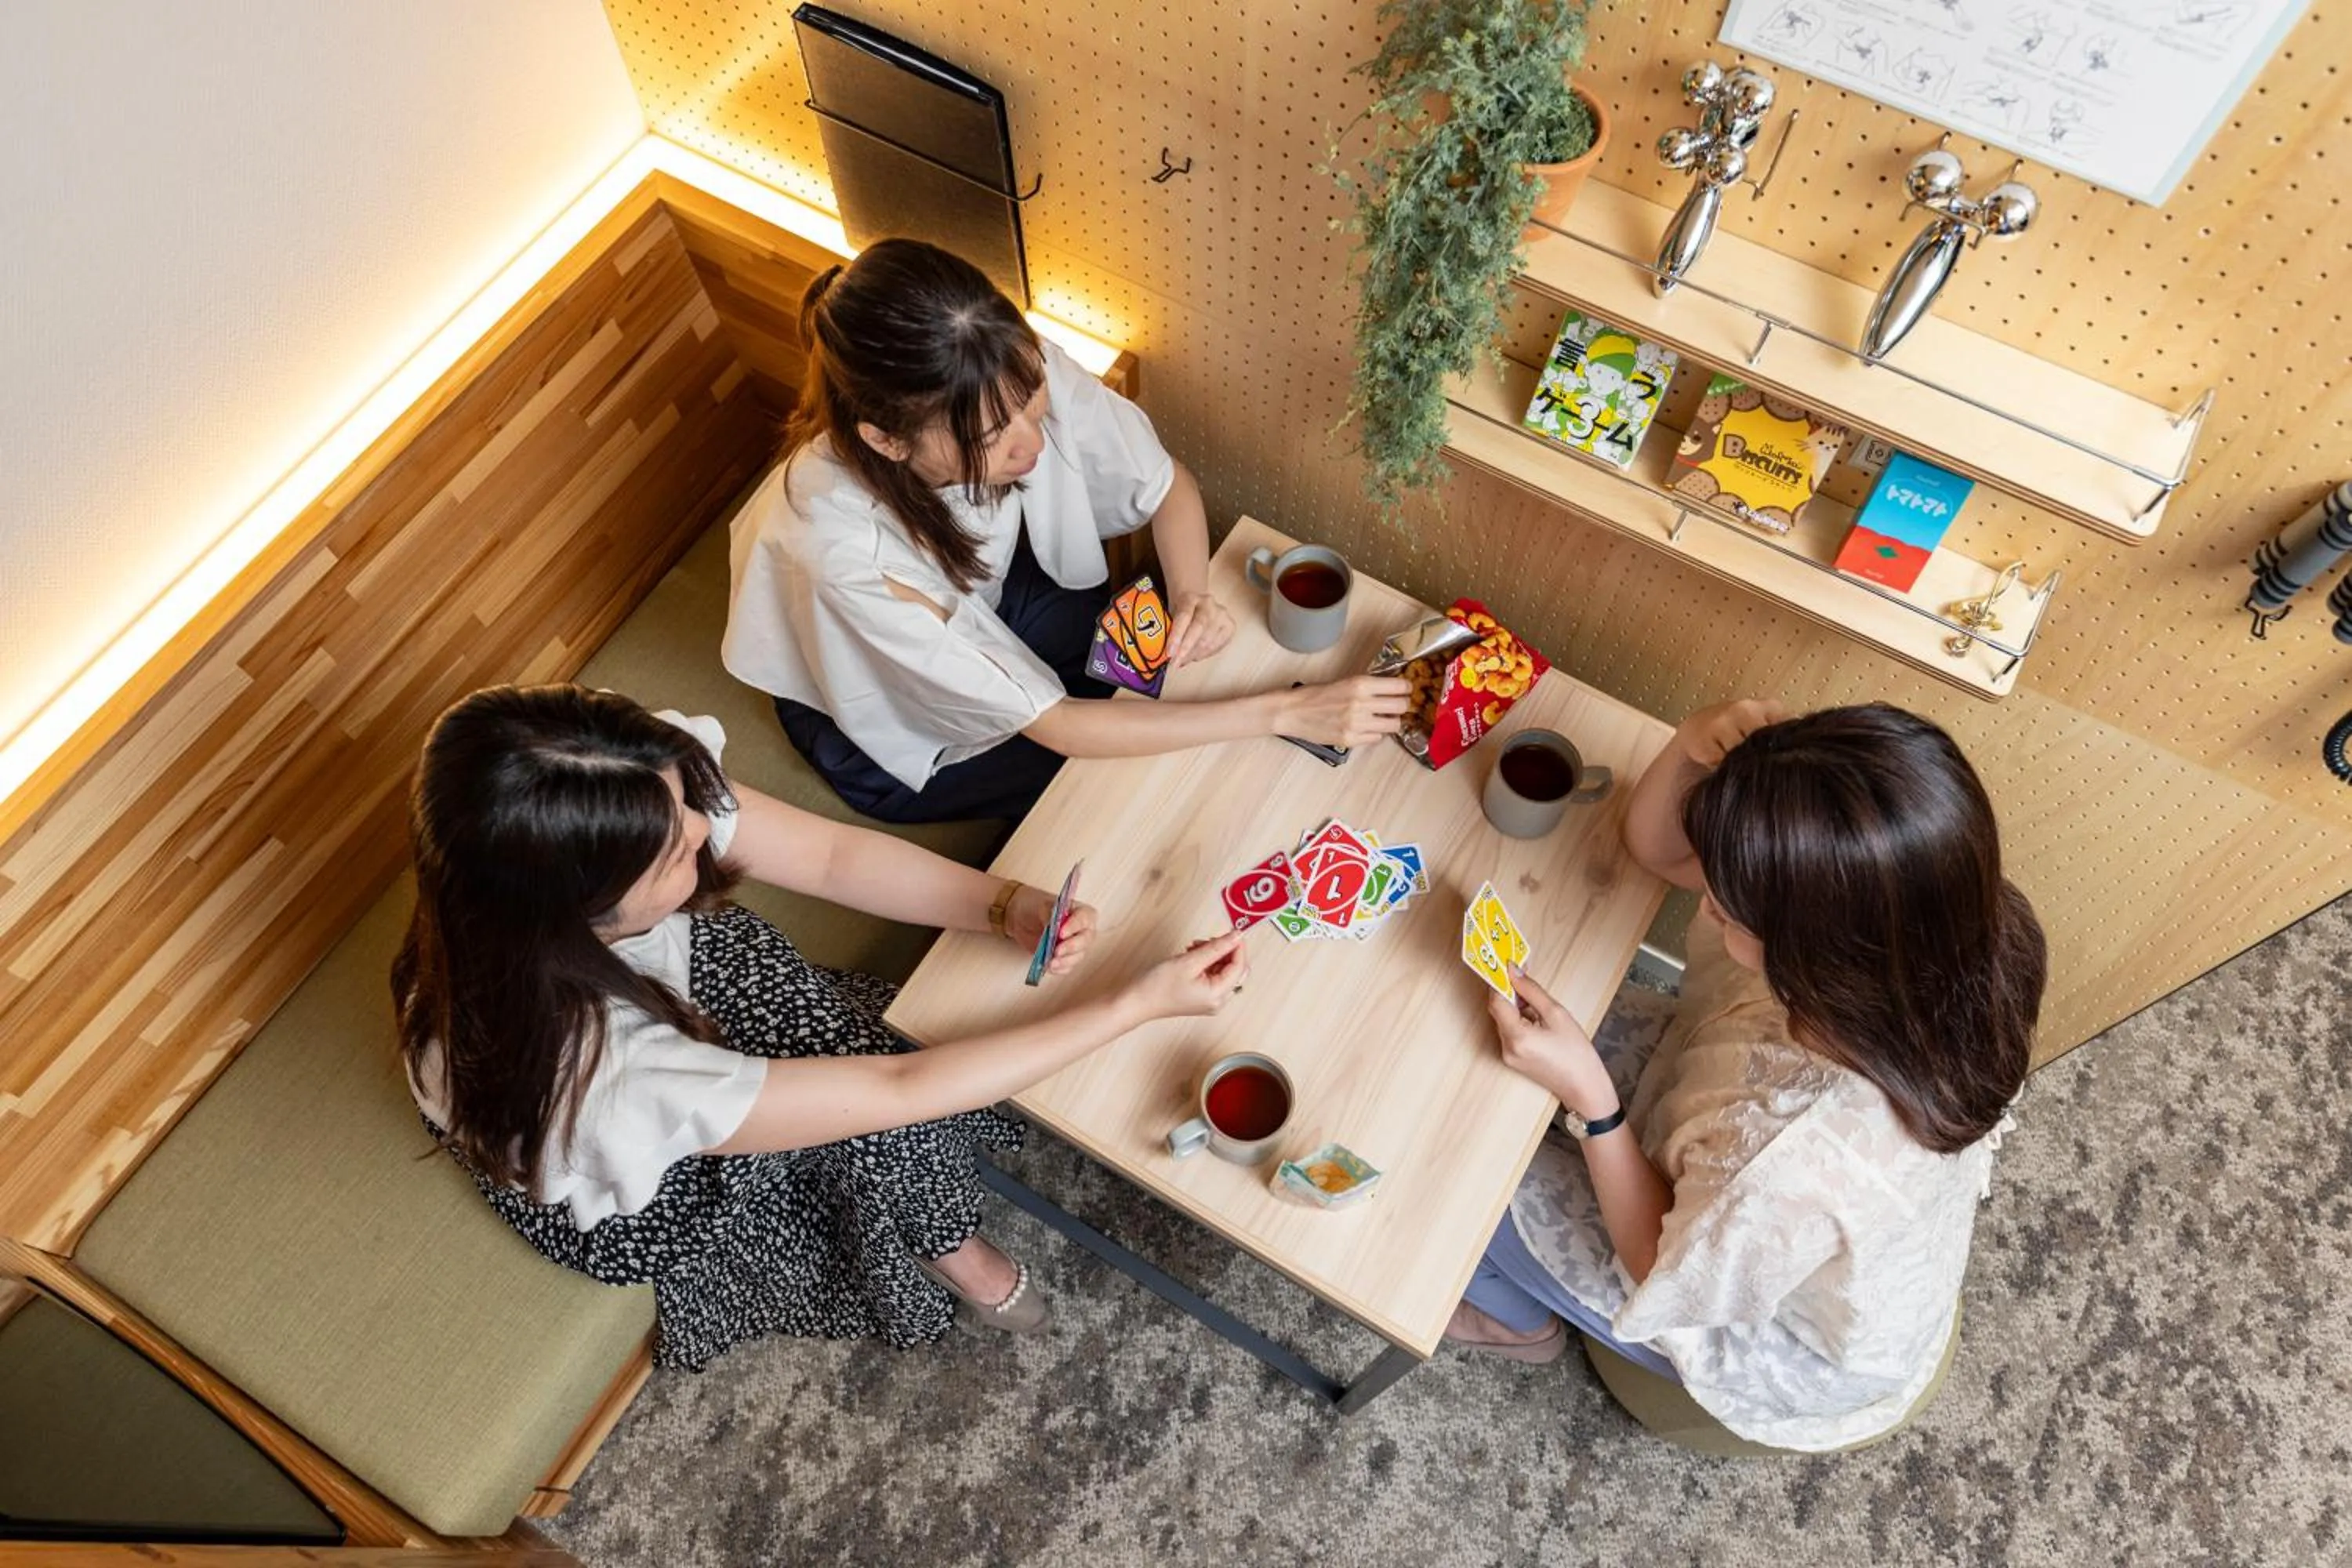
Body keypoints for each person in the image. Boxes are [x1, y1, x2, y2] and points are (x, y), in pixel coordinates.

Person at [394, 684, 1248, 1369]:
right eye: (675, 853)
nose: (705, 830)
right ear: (579, 910)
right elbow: (897, 1089)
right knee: (884, 1114)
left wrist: (1002, 904)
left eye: (689, 808)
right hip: (644, 1185)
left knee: (851, 1059)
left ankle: (931, 1211)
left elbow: (832, 857)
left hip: (646, 1015)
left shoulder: (608, 785)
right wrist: (1134, 1003)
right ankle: (950, 1244)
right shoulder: (598, 1072)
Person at [1446, 700, 2047, 1452]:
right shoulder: (1964, 926)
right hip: (1752, 1148)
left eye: (1729, 910)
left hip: (1780, 1330)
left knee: (1458, 1176)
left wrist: (1593, 1105)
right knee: (1507, 1037)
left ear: (1814, 955)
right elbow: (1657, 852)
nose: (1702, 900)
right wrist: (1693, 744)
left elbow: (1657, 1263)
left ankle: (1519, 1327)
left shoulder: (1799, 1159)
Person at [721, 238, 1409, 824]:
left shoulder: (1001, 366)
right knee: (1111, 783)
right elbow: (1064, 729)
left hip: (985, 599)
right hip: (877, 714)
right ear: (887, 440)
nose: (1032, 442)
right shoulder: (845, 556)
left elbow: (1168, 485)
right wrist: (1283, 714)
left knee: (1155, 679)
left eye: (1031, 402)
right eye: (995, 435)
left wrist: (1191, 593)